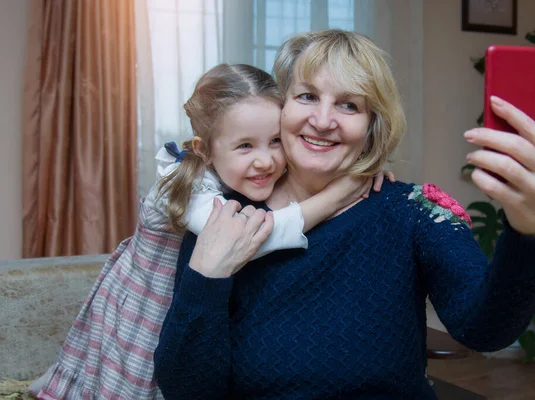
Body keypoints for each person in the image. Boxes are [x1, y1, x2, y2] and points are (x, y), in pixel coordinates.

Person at [153, 30, 535, 399]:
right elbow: (187, 389)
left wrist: (534, 226)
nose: (322, 120)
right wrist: (204, 277)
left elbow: (485, 329)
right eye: (307, 96)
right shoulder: (227, 216)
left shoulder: (414, 212)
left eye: (348, 105)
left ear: (373, 125)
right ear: (280, 107)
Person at [33, 63, 390, 400]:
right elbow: (250, 238)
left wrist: (360, 166)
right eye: (245, 146)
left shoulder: (247, 172)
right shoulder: (183, 184)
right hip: (148, 304)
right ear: (204, 150)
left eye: (275, 141)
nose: (265, 160)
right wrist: (340, 192)